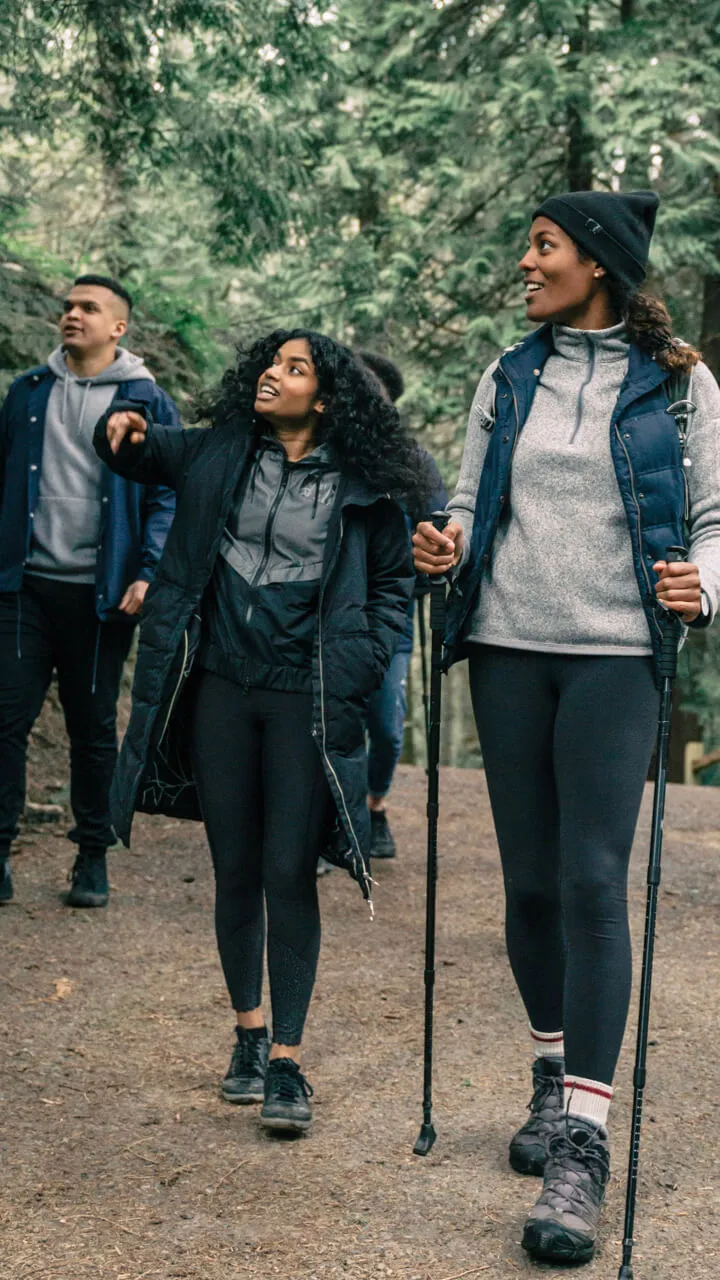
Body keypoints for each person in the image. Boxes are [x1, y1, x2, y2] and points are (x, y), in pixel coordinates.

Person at [413, 190, 720, 1264]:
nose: (528, 262)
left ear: (597, 262)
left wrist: (704, 583)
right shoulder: (509, 373)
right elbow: (467, 496)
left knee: (594, 879)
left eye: (543, 246)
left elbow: (719, 517)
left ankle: (582, 1142)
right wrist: (446, 540)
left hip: (616, 655)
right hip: (506, 647)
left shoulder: (681, 385)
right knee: (532, 884)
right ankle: (551, 1067)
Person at [93, 329, 423, 1134]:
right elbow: (141, 452)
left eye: (295, 368)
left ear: (329, 395)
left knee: (288, 870)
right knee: (235, 866)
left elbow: (392, 586)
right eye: (272, 363)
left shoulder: (370, 482)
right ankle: (248, 1035)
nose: (274, 374)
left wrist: (362, 660)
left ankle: (289, 1062)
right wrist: (121, 431)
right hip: (220, 689)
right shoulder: (219, 449)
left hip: (303, 697)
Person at [0, 275, 179, 908]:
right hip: (24, 588)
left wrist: (149, 570)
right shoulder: (27, 392)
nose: (72, 315)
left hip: (102, 597)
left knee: (93, 728)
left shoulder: (147, 399)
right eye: (69, 306)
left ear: (118, 327)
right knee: (5, 720)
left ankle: (91, 856)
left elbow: (167, 492)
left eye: (88, 308)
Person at [358, 351, 447, 860]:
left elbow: (436, 518)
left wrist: (431, 564)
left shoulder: (410, 459)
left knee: (387, 727)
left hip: (391, 612)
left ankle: (374, 804)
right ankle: (333, 817)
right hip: (323, 611)